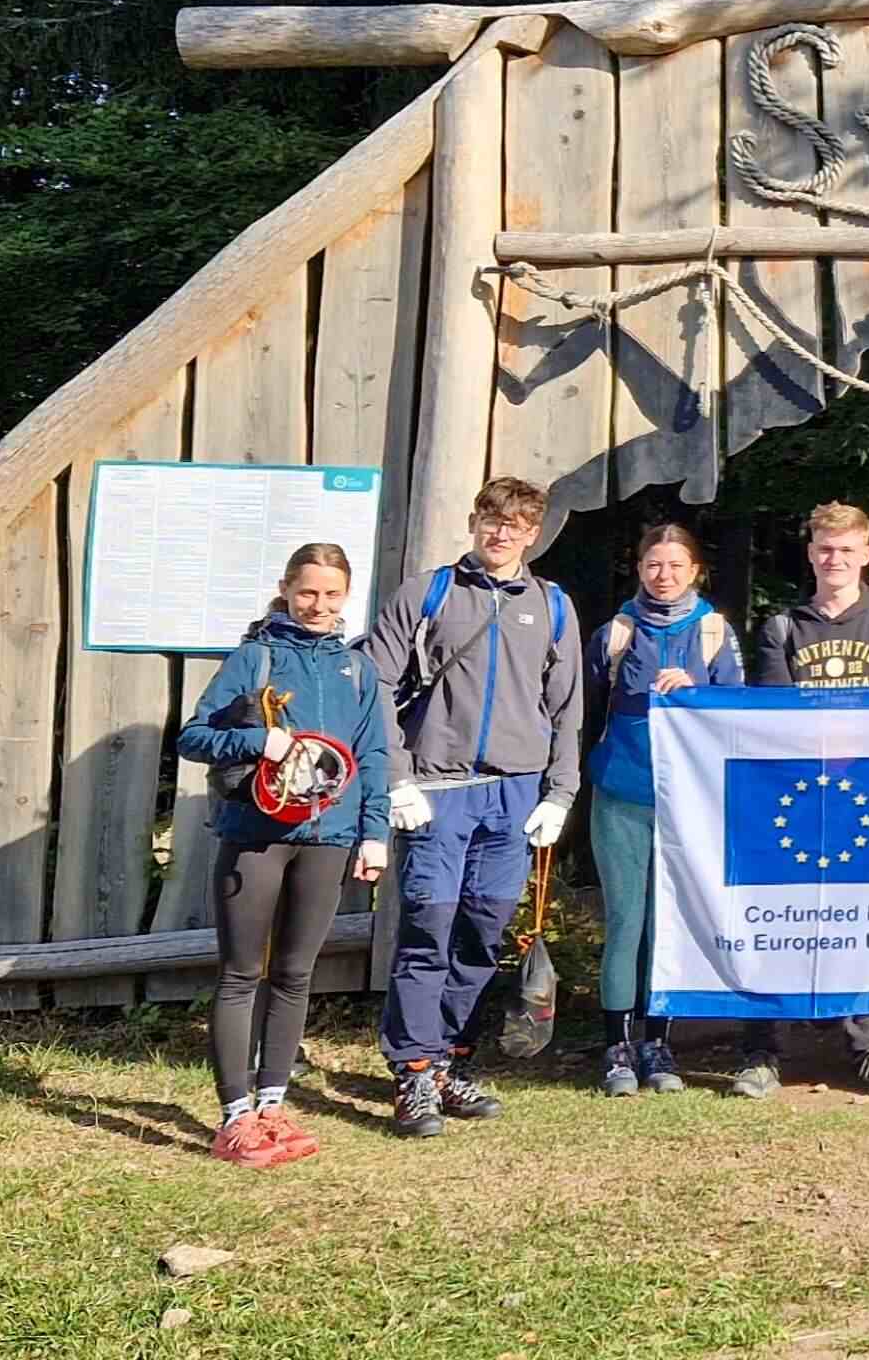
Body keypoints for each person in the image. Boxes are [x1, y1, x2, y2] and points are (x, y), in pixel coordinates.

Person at [365, 476, 581, 1139]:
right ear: (473, 520)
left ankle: (447, 1061)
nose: (501, 533)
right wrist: (396, 778)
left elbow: (568, 706)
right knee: (427, 930)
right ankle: (413, 1070)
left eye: (515, 525)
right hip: (437, 789)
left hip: (514, 796)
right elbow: (375, 680)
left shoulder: (553, 606)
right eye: (492, 519)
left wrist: (561, 792)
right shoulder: (427, 593)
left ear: (533, 534)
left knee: (482, 937)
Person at [179, 543, 389, 1166]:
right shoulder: (255, 656)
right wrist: (260, 740)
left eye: (331, 595)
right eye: (307, 593)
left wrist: (373, 832)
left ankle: (273, 1104)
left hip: (329, 838)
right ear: (286, 590)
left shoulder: (359, 670)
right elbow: (193, 736)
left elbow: (373, 754)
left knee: (296, 975)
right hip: (255, 835)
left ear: (347, 595)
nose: (318, 606)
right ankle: (234, 1117)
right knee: (242, 973)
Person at [739, 501, 869, 1099]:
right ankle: (763, 1049)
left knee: (861, 922)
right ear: (810, 553)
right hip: (792, 798)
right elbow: (776, 717)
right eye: (824, 548)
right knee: (776, 919)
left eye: (846, 549)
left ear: (867, 554)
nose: (834, 559)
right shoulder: (781, 627)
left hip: (862, 801)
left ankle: (866, 1043)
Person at [586, 523, 742, 1099]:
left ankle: (658, 1043)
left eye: (677, 566)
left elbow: (740, 717)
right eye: (654, 564)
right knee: (627, 922)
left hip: (688, 803)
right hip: (622, 795)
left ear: (696, 571)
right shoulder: (616, 632)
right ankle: (615, 1046)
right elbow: (590, 711)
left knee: (669, 928)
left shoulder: (713, 631)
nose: (665, 576)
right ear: (640, 568)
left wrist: (697, 692)